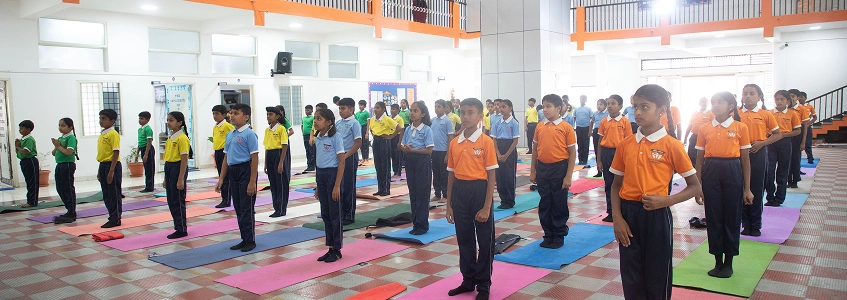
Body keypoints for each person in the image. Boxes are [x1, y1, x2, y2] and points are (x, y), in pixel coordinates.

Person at [610, 84, 702, 299]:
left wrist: (667, 201)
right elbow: (615, 185)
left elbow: (695, 186)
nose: (638, 112)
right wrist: (617, 218)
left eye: (645, 107)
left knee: (657, 274)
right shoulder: (625, 144)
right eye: (635, 107)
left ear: (662, 110)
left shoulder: (672, 145)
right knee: (631, 275)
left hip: (657, 215)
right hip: (628, 215)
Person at [694, 91, 753, 279]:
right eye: (713, 102)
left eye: (721, 102)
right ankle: (717, 261)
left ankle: (729, 263)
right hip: (711, 170)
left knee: (732, 217)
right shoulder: (704, 128)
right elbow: (699, 160)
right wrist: (697, 186)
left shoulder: (740, 127)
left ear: (731, 107)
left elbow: (745, 161)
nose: (715, 105)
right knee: (713, 217)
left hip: (732, 170)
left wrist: (747, 189)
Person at [445, 98, 497, 300]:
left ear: (480, 116)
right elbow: (451, 174)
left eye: (470, 112)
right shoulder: (454, 143)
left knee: (485, 241)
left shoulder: (486, 142)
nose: (465, 117)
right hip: (460, 192)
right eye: (463, 112)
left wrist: (486, 207)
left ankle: (483, 284)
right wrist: (449, 205)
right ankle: (468, 280)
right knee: (464, 238)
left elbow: (491, 175)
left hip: (480, 191)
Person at [530, 94, 577, 249]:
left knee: (558, 202)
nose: (545, 109)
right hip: (542, 168)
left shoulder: (566, 127)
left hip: (559, 168)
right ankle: (548, 234)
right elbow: (535, 150)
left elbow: (572, 153)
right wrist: (533, 171)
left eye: (548, 106)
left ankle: (558, 235)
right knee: (545, 202)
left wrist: (568, 176)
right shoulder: (540, 126)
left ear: (558, 108)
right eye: (544, 106)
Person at [215, 104, 259, 252]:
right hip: (233, 171)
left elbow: (254, 158)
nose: (232, 116)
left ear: (246, 117)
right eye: (231, 113)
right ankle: (244, 238)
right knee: (238, 206)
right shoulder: (230, 134)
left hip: (245, 170)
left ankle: (250, 240)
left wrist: (252, 181)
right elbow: (226, 157)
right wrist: (221, 178)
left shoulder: (249, 134)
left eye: (236, 113)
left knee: (247, 207)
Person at [739, 84, 782, 237]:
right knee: (741, 188)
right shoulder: (735, 114)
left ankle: (756, 225)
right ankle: (745, 224)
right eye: (745, 93)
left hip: (758, 152)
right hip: (739, 154)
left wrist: (762, 143)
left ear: (759, 97)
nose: (748, 96)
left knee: (756, 188)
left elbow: (777, 134)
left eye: (752, 93)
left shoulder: (765, 114)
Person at [313, 108, 347, 263]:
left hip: (333, 175)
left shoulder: (335, 137)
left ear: (328, 122)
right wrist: (318, 186)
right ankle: (330, 247)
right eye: (315, 118)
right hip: (321, 175)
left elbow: (342, 162)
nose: (315, 121)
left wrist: (337, 185)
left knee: (334, 214)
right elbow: (319, 162)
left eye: (319, 118)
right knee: (325, 214)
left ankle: (337, 249)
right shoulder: (318, 137)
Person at [596, 95, 632, 222]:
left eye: (613, 103)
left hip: (620, 153)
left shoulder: (625, 122)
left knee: (621, 183)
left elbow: (628, 142)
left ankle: (622, 211)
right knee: (609, 183)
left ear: (620, 106)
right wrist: (599, 160)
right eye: (608, 103)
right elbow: (600, 141)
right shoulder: (603, 122)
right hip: (606, 153)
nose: (610, 106)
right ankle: (610, 212)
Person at [401, 101, 434, 235]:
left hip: (422, 161)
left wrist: (413, 150)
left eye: (416, 111)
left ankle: (422, 225)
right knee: (413, 192)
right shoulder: (408, 129)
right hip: (410, 160)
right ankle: (415, 223)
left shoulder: (426, 129)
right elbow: (403, 144)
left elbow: (429, 150)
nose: (412, 113)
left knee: (422, 193)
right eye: (411, 111)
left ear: (422, 114)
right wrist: (405, 148)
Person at [765, 91, 801, 207]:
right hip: (770, 142)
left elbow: (797, 131)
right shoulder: (769, 113)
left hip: (785, 142)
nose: (779, 102)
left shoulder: (792, 114)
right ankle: (770, 197)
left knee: (782, 171)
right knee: (769, 171)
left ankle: (779, 198)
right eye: (777, 99)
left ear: (787, 102)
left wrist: (782, 135)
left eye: (782, 99)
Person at [163, 111, 193, 239]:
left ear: (179, 123)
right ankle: (177, 226)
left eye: (171, 120)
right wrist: (165, 178)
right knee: (171, 200)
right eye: (168, 120)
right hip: (169, 167)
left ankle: (182, 229)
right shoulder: (171, 138)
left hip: (178, 167)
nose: (168, 123)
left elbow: (184, 159)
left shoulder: (182, 138)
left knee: (177, 200)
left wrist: (181, 179)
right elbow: (167, 158)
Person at [336, 98, 363, 225]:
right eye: (339, 108)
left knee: (348, 185)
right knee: (340, 185)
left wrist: (346, 155)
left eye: (343, 108)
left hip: (349, 157)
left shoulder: (354, 123)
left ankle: (349, 214)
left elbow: (358, 143)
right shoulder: (338, 123)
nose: (340, 111)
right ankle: (341, 212)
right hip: (339, 157)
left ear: (351, 109)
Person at [97, 109, 123, 228]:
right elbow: (102, 155)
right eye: (100, 118)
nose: (101, 121)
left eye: (104, 119)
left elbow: (116, 152)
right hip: (103, 164)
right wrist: (100, 171)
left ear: (112, 121)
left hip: (112, 165)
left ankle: (116, 218)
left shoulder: (113, 134)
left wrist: (111, 171)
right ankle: (111, 215)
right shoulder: (103, 134)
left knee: (114, 193)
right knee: (106, 193)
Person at [493, 99, 520, 209]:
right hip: (499, 148)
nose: (501, 109)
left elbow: (515, 141)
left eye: (504, 107)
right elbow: (494, 140)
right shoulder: (497, 123)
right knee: (500, 176)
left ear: (510, 108)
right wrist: (498, 154)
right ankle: (503, 199)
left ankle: (510, 200)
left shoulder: (514, 123)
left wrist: (506, 155)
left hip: (510, 149)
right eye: (500, 107)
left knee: (509, 176)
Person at [51, 118, 79, 223]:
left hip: (67, 164)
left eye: (63, 125)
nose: (60, 128)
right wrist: (56, 146)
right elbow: (53, 153)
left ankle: (72, 211)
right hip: (60, 164)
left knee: (68, 188)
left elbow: (68, 152)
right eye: (59, 125)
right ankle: (68, 208)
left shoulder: (71, 138)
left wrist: (58, 146)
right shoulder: (61, 138)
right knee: (60, 188)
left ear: (70, 127)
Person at [369, 102, 400, 196]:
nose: (375, 109)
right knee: (378, 165)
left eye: (378, 108)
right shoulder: (372, 119)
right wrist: (374, 136)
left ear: (383, 109)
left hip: (384, 140)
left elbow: (399, 128)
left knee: (385, 165)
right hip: (376, 141)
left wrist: (390, 137)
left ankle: (386, 189)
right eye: (375, 107)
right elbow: (371, 129)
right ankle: (380, 188)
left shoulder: (387, 119)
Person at [264, 106, 289, 218]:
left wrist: (281, 162)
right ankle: (276, 207)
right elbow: (266, 147)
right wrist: (265, 163)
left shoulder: (281, 129)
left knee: (281, 183)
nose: (268, 116)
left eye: (271, 114)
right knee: (273, 183)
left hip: (278, 154)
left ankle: (281, 209)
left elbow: (284, 146)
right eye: (267, 114)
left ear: (277, 116)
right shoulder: (267, 130)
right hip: (270, 155)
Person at [431, 99, 455, 202]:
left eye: (439, 107)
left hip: (443, 151)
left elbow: (450, 138)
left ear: (445, 108)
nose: (437, 109)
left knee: (444, 174)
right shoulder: (432, 120)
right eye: (435, 107)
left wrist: (448, 153)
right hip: (434, 150)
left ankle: (445, 195)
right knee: (436, 173)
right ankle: (437, 194)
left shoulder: (447, 121)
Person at [212, 105, 235, 208]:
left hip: (224, 152)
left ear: (224, 115)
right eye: (213, 114)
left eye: (217, 114)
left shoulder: (227, 126)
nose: (214, 116)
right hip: (217, 152)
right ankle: (224, 198)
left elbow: (234, 135)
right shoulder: (215, 127)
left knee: (225, 177)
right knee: (221, 176)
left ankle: (226, 199)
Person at [787, 89, 809, 188]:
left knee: (795, 158)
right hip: (787, 134)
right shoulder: (785, 109)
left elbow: (805, 126)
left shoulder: (801, 109)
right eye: (789, 96)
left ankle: (795, 180)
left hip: (798, 134)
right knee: (786, 158)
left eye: (793, 96)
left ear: (797, 98)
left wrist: (803, 141)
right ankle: (787, 179)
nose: (791, 98)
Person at [15, 120, 39, 208]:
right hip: (24, 161)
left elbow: (26, 151)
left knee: (32, 182)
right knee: (28, 181)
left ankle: (32, 201)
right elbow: (19, 152)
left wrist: (18, 146)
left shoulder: (29, 139)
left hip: (30, 161)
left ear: (28, 129)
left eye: (22, 128)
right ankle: (30, 200)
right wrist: (17, 147)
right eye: (19, 129)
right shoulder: (22, 139)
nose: (20, 130)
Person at [684, 97, 714, 164]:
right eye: (702, 101)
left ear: (708, 103)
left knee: (702, 156)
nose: (704, 103)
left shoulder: (711, 113)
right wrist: (685, 139)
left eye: (705, 102)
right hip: (694, 136)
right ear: (699, 103)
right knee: (691, 155)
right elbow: (689, 126)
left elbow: (713, 127)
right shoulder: (694, 113)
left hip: (705, 138)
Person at [589, 99, 609, 176]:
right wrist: (590, 131)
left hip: (605, 132)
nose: (599, 106)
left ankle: (606, 170)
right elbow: (592, 122)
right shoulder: (595, 113)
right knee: (597, 150)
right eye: (598, 104)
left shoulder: (608, 113)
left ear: (605, 106)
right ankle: (599, 171)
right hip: (596, 131)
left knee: (603, 150)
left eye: (601, 104)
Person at [137, 111, 155, 193]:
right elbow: (140, 142)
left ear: (147, 120)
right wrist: (137, 153)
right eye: (139, 118)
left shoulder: (148, 129)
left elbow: (149, 141)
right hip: (143, 149)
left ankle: (150, 187)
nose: (140, 120)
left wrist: (146, 154)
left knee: (149, 169)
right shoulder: (140, 129)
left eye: (142, 118)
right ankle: (148, 185)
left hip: (148, 149)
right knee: (146, 168)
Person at [573, 95, 593, 165]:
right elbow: (574, 119)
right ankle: (580, 160)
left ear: (586, 100)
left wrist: (590, 130)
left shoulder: (588, 109)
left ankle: (585, 160)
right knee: (579, 144)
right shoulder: (576, 109)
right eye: (581, 99)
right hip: (578, 128)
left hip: (586, 127)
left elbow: (592, 119)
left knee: (586, 144)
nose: (582, 100)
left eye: (584, 99)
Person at [798, 92, 816, 164]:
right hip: (799, 127)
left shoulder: (809, 106)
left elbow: (815, 117)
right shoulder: (796, 107)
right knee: (798, 143)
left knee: (808, 143)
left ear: (805, 98)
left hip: (807, 126)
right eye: (799, 97)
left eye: (801, 97)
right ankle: (797, 160)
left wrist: (809, 123)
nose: (800, 98)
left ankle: (810, 158)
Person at [390, 103, 405, 178]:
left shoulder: (399, 119)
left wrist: (400, 142)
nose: (392, 110)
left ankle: (398, 172)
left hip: (397, 137)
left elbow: (401, 130)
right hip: (391, 137)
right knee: (393, 155)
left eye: (394, 109)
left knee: (398, 155)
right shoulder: (389, 118)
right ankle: (394, 170)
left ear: (398, 110)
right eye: (391, 109)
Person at [355, 100, 371, 166]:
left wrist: (367, 132)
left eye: (361, 105)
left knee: (365, 144)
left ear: (364, 106)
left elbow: (368, 123)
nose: (360, 106)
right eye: (359, 105)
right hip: (359, 129)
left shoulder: (366, 113)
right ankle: (363, 158)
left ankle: (366, 158)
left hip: (364, 128)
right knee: (361, 144)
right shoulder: (357, 113)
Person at [302, 105, 316, 173]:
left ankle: (312, 166)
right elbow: (302, 126)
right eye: (305, 110)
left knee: (311, 151)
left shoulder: (313, 118)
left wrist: (312, 136)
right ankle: (308, 165)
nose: (306, 111)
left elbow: (314, 127)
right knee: (307, 151)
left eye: (308, 110)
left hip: (310, 136)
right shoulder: (303, 118)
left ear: (312, 110)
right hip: (305, 136)